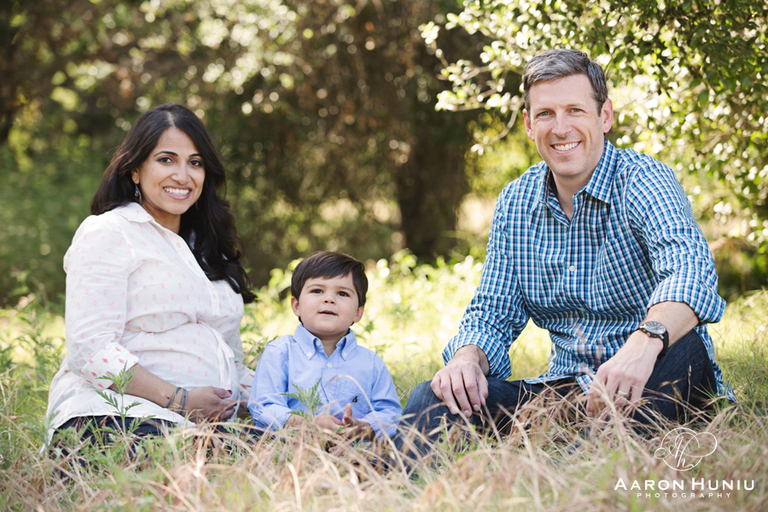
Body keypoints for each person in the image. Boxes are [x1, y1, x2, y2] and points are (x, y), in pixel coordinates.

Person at [399, 49, 733, 446]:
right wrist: (466, 358)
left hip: (657, 368)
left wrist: (643, 342)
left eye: (575, 110)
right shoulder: (516, 202)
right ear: (529, 124)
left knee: (677, 351)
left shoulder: (644, 180)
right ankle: (386, 479)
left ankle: (585, 461)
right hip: (568, 389)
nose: (560, 128)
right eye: (546, 114)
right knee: (433, 398)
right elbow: (493, 311)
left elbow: (689, 271)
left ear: (604, 116)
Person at [45, 103, 255, 445]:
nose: (183, 176)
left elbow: (230, 361)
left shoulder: (207, 250)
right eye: (166, 159)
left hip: (202, 428)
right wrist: (181, 401)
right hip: (114, 417)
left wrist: (290, 412)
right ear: (135, 170)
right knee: (188, 458)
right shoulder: (111, 232)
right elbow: (91, 349)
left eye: (195, 163)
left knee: (296, 447)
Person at [248, 251, 402, 441]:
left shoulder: (371, 364)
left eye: (342, 293)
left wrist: (364, 428)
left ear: (358, 312)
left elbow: (390, 413)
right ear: (296, 305)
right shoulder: (280, 353)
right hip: (292, 446)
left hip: (355, 449)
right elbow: (263, 407)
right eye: (317, 291)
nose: (329, 299)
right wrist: (307, 424)